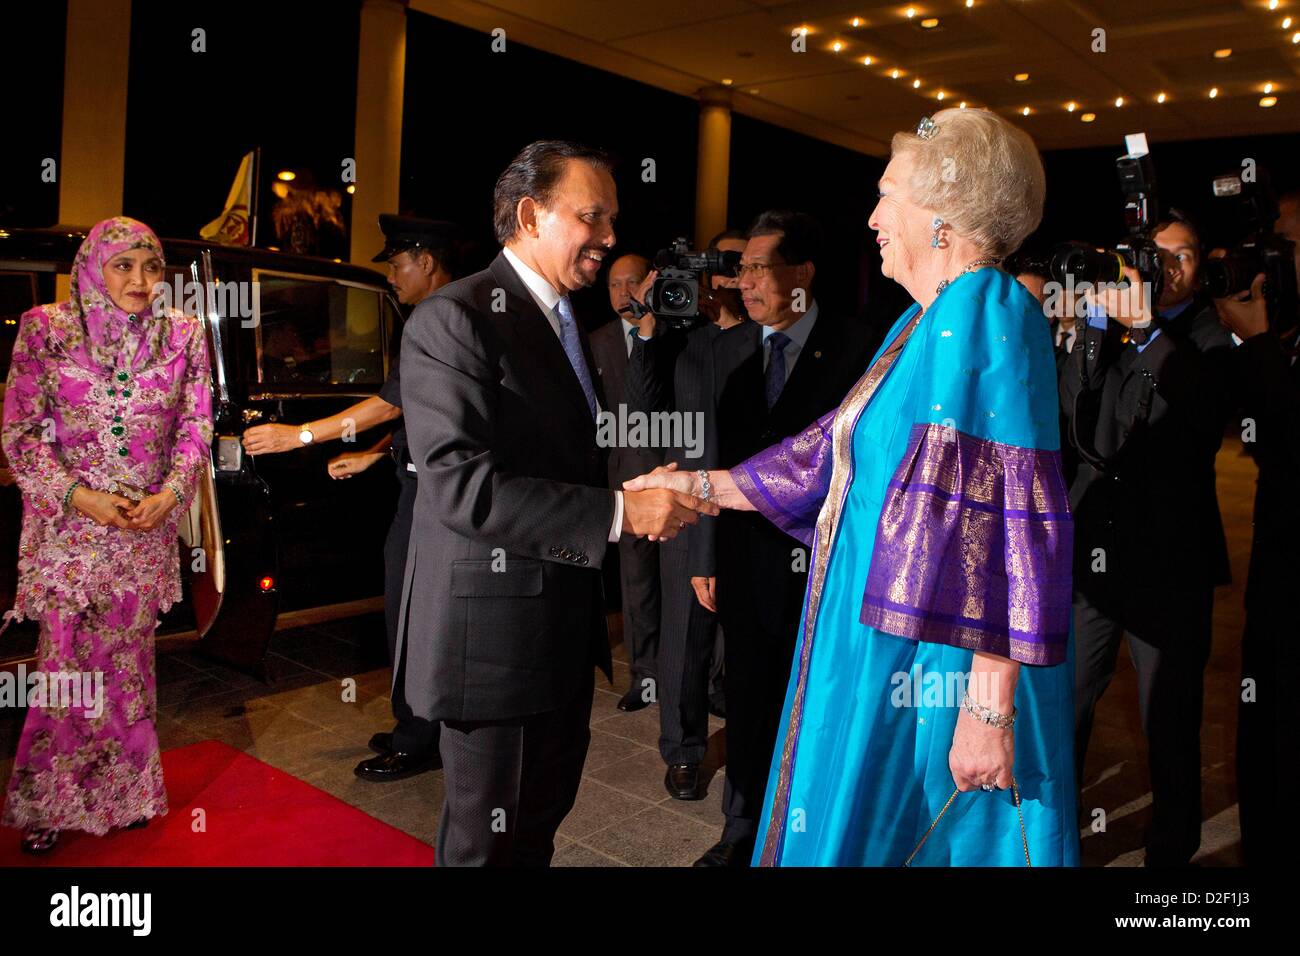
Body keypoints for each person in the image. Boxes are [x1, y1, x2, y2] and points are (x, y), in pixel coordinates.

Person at [627, 109, 1078, 866]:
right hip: (880, 643)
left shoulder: (987, 312)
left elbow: (1013, 513)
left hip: (938, 663)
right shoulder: (923, 323)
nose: (871, 218)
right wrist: (698, 485)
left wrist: (989, 703)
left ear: (943, 213)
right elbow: (820, 460)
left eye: (888, 195)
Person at [395, 140, 717, 866]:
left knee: (533, 835)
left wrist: (632, 486)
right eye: (592, 218)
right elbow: (461, 486)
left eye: (612, 221)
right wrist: (619, 515)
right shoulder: (457, 318)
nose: (609, 239)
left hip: (557, 641)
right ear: (531, 214)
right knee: (488, 848)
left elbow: (557, 458)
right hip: (495, 652)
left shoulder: (564, 319)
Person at [0, 217, 213, 854]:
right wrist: (81, 497)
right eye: (124, 267)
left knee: (128, 666)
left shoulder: (183, 333)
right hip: (69, 529)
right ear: (94, 267)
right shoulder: (47, 329)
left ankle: (128, 792)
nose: (142, 282)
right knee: (66, 665)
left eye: (152, 267)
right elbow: (21, 433)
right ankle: (51, 801)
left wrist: (171, 496)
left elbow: (196, 427)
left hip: (143, 528)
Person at [242, 215, 459, 782]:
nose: (391, 274)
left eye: (396, 263)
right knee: (411, 611)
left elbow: (390, 403)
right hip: (422, 483)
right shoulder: (443, 312)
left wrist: (300, 434)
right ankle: (416, 722)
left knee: (412, 616)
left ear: (427, 261)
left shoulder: (436, 315)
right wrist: (375, 455)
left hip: (433, 498)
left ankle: (418, 740)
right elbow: (417, 408)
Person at [1064, 213, 1232, 867]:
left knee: (1169, 720)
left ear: (1199, 265)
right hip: (1095, 560)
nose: (1164, 268)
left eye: (1178, 256)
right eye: (1150, 256)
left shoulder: (1213, 334)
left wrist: (1147, 329)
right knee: (1067, 700)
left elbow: (1206, 415)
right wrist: (1097, 330)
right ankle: (1051, 834)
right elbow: (1075, 413)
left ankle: (1170, 857)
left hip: (1171, 564)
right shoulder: (1103, 328)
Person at [624, 229, 748, 804]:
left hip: (751, 510)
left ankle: (758, 745)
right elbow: (644, 411)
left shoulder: (767, 341)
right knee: (684, 639)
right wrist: (650, 322)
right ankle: (683, 751)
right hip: (689, 512)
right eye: (716, 268)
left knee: (746, 637)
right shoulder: (682, 340)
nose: (725, 279)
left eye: (737, 267)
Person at [1213, 226, 1300, 867]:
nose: (1276, 259)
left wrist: (1259, 341)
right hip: (1274, 582)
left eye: (1290, 246)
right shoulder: (1289, 337)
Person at [589, 253, 663, 712]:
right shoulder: (594, 342)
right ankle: (645, 675)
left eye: (631, 283)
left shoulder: (674, 333)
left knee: (686, 578)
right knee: (637, 584)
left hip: (676, 471)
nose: (622, 293)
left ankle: (702, 676)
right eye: (614, 285)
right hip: (624, 480)